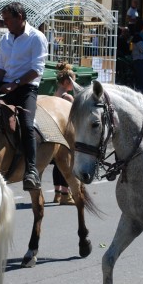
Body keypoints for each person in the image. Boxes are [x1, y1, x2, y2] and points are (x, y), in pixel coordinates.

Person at [0, 2, 48, 191]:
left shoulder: (36, 38)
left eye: (7, 19)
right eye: (4, 19)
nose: (5, 22)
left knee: (27, 123)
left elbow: (37, 69)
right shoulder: (5, 38)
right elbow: (1, 66)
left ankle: (31, 170)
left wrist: (14, 84)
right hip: (5, 85)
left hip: (26, 89)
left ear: (20, 17)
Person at [52, 63, 76, 205]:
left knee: (57, 164)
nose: (74, 84)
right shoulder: (68, 98)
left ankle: (57, 194)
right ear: (67, 82)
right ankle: (66, 194)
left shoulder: (55, 93)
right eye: (73, 81)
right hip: (66, 132)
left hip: (56, 131)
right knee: (66, 163)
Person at [131, 20, 143, 95]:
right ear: (142, 27)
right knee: (141, 80)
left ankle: (142, 94)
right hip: (139, 60)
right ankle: (140, 95)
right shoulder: (137, 37)